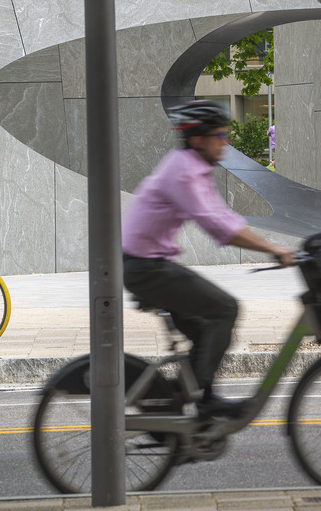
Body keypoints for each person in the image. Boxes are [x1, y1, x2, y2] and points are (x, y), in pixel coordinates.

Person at [122, 100, 295, 418]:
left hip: (147, 264)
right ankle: (201, 398)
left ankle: (183, 400)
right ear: (198, 139)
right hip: (146, 267)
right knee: (224, 309)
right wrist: (275, 249)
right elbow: (219, 226)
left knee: (206, 328)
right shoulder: (184, 172)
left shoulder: (191, 167)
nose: (225, 141)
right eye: (219, 134)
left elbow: (220, 213)